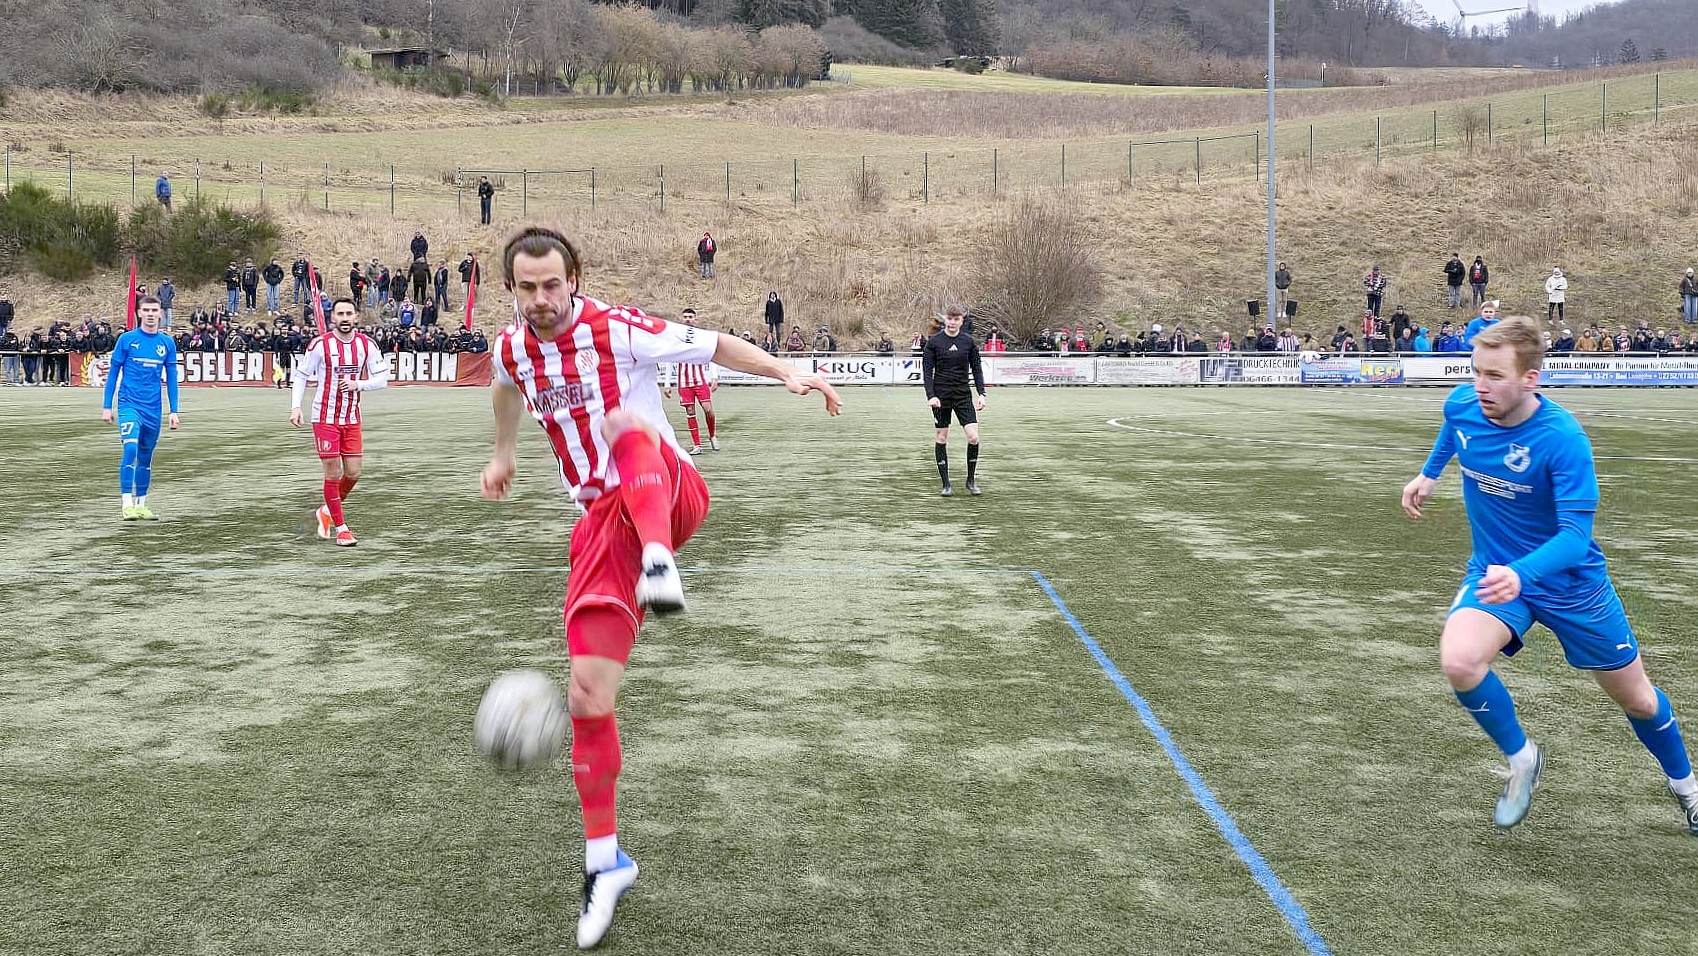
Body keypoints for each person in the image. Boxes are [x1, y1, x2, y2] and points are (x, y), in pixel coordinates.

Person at [477, 226, 841, 950]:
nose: (542, 298)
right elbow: (504, 390)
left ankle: (659, 560)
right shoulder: (513, 348)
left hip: (669, 493)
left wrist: (786, 372)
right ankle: (604, 863)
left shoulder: (617, 328)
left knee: (626, 424)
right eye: (528, 287)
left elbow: (713, 345)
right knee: (587, 697)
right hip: (600, 529)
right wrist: (504, 453)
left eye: (553, 284)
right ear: (512, 290)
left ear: (573, 281)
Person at [1401, 316, 1698, 836]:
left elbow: (1575, 538)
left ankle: (1687, 787)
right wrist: (1429, 474)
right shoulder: (1465, 404)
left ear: (1530, 379)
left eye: (1495, 376)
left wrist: (1522, 574)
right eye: (1476, 372)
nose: (1480, 386)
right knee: (1460, 660)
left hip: (1573, 586)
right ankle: (1522, 759)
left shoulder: (1562, 439)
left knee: (1638, 699)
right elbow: (1454, 429)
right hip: (1496, 573)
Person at [290, 298, 390, 547]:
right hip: (324, 417)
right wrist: (296, 406)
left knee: (353, 473)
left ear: (356, 317)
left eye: (348, 313)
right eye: (340, 314)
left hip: (352, 418)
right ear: (332, 317)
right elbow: (302, 375)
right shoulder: (320, 345)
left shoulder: (366, 345)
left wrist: (359, 385)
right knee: (333, 472)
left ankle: (325, 511)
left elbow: (382, 379)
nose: (344, 318)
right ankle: (342, 528)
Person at [101, 296, 180, 520]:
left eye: (154, 310)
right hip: (129, 404)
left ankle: (141, 505)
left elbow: (172, 378)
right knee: (130, 449)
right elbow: (113, 374)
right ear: (139, 313)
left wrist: (174, 410)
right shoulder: (126, 340)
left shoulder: (167, 343)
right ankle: (127, 504)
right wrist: (107, 406)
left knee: (145, 457)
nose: (150, 314)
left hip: (153, 409)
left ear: (161, 313)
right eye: (146, 310)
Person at [922, 305, 985, 497]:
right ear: (945, 320)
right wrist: (931, 396)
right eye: (949, 318)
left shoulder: (968, 342)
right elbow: (927, 372)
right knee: (941, 437)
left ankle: (970, 480)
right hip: (941, 397)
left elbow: (977, 368)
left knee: (973, 437)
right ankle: (946, 484)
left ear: (961, 320)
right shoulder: (934, 342)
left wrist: (981, 393)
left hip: (963, 395)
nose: (952, 322)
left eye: (956, 319)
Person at [661, 309, 721, 455]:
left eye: (690, 317)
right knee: (690, 411)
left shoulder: (701, 337)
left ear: (695, 319)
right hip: (684, 382)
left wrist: (714, 377)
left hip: (700, 380)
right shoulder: (676, 338)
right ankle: (697, 445)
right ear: (682, 319)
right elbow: (670, 360)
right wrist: (667, 384)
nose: (688, 319)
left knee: (708, 409)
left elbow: (710, 355)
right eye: (685, 317)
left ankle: (712, 435)